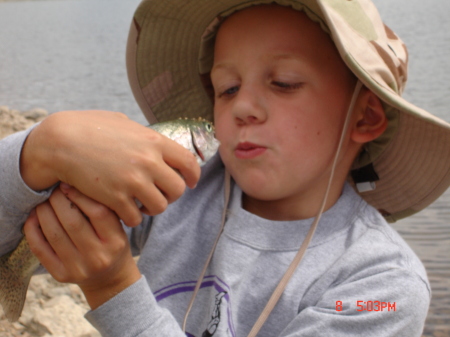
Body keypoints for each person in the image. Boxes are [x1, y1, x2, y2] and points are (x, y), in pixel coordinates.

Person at [1, 0, 449, 336]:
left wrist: (113, 288)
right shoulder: (179, 188)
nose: (244, 108)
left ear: (365, 117)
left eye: (284, 83)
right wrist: (38, 152)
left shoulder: (382, 289)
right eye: (227, 88)